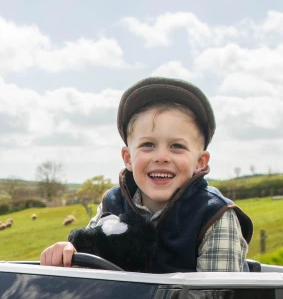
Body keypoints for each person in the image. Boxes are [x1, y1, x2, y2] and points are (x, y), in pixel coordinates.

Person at [40, 76, 253, 273]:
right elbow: (88, 264)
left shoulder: (214, 216)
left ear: (200, 162)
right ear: (128, 158)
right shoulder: (112, 204)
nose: (161, 157)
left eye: (177, 146)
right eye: (148, 144)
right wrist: (68, 253)